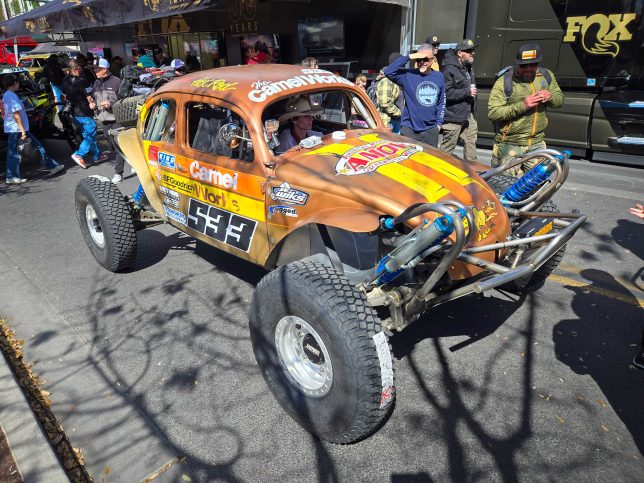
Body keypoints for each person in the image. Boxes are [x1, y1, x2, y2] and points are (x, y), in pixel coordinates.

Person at [488, 43, 564, 176]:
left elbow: (560, 100)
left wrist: (550, 96)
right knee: (506, 188)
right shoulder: (504, 81)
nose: (528, 69)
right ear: (516, 63)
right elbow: (493, 113)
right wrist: (523, 105)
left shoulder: (546, 76)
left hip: (537, 143)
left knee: (534, 186)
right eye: (524, 65)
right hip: (510, 145)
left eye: (533, 65)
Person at [2, 74, 64, 184]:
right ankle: (52, 166)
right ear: (14, 83)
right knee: (33, 148)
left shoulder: (6, 95)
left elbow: (6, 113)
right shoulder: (11, 96)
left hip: (15, 128)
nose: (19, 84)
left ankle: (52, 166)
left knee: (16, 152)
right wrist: (22, 131)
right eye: (18, 82)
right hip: (17, 129)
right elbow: (16, 115)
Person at [384, 44, 446, 147]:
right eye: (419, 59)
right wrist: (409, 57)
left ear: (433, 59)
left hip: (430, 131)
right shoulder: (408, 75)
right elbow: (389, 72)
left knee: (428, 162)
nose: (422, 62)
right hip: (409, 130)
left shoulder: (439, 76)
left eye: (426, 59)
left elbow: (441, 102)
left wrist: (438, 124)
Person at [62, 59, 109, 169]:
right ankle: (79, 154)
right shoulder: (82, 81)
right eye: (76, 68)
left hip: (74, 112)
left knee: (86, 134)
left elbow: (64, 96)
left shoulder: (65, 81)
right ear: (71, 70)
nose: (78, 70)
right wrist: (94, 105)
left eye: (78, 67)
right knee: (91, 132)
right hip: (83, 111)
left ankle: (97, 155)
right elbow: (89, 97)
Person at [440, 39, 479, 161]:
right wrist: (467, 92)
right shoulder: (449, 69)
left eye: (472, 50)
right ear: (459, 53)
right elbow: (447, 93)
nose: (472, 53)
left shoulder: (467, 67)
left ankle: (472, 172)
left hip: (468, 114)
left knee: (471, 144)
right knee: (447, 151)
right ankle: (440, 174)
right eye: (468, 51)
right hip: (453, 117)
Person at [92, 58, 124, 183]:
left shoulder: (117, 81)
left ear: (105, 69)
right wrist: (93, 104)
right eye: (95, 68)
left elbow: (123, 100)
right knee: (111, 145)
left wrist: (111, 103)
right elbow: (94, 99)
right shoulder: (96, 83)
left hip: (116, 119)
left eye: (97, 69)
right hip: (103, 119)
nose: (95, 70)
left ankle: (118, 173)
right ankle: (130, 159)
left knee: (117, 146)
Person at [376, 52, 404, 134]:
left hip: (396, 119)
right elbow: (384, 103)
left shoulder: (396, 79)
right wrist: (398, 113)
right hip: (388, 120)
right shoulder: (387, 80)